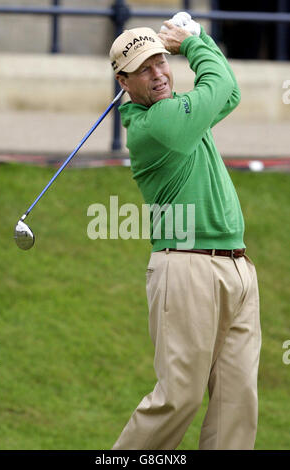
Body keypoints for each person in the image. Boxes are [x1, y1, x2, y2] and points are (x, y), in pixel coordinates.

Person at [109, 13, 262, 450]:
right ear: (125, 82)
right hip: (186, 268)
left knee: (238, 404)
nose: (158, 74)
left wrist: (197, 42)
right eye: (144, 68)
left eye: (161, 61)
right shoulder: (157, 127)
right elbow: (216, 87)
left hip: (237, 267)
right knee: (177, 398)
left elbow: (227, 90)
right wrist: (194, 42)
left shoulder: (181, 112)